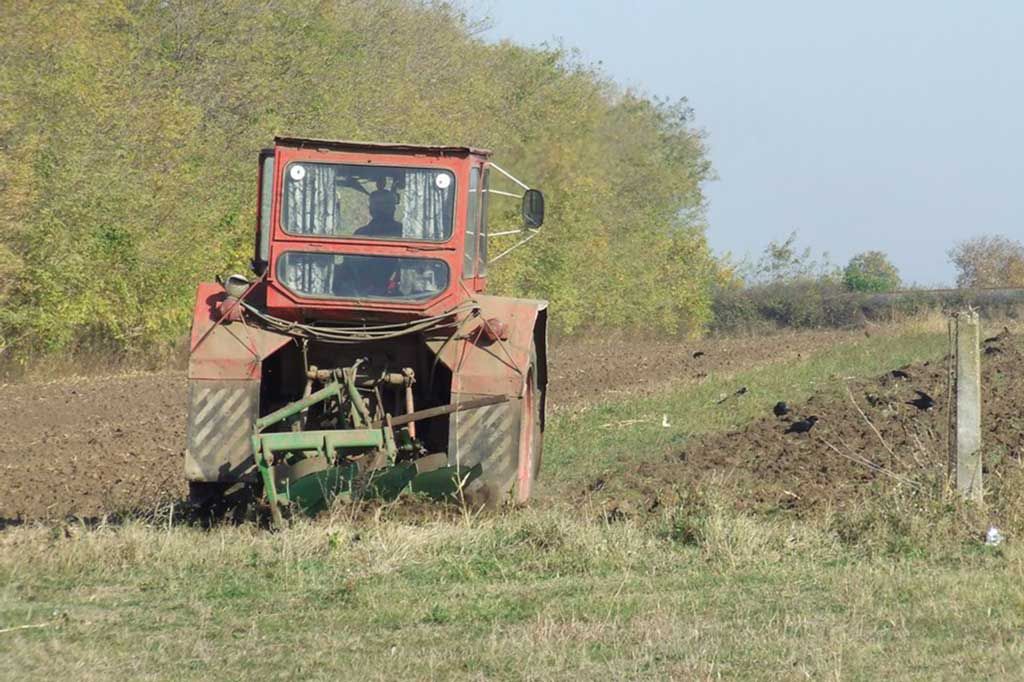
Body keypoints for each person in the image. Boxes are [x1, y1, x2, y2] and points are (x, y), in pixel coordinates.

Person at [333, 188, 403, 296]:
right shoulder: (361, 233)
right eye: (379, 205)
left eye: (385, 205)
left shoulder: (403, 233)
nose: (382, 209)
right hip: (362, 291)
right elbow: (349, 266)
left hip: (393, 292)